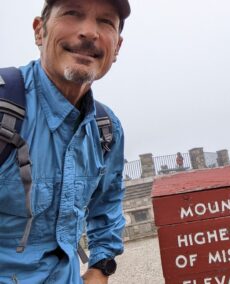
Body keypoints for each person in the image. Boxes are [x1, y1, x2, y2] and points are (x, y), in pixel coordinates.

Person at [0, 0, 130, 283]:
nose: (88, 32)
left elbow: (107, 204)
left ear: (117, 47)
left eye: (105, 22)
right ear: (39, 31)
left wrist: (101, 267)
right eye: (72, 13)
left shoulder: (107, 130)